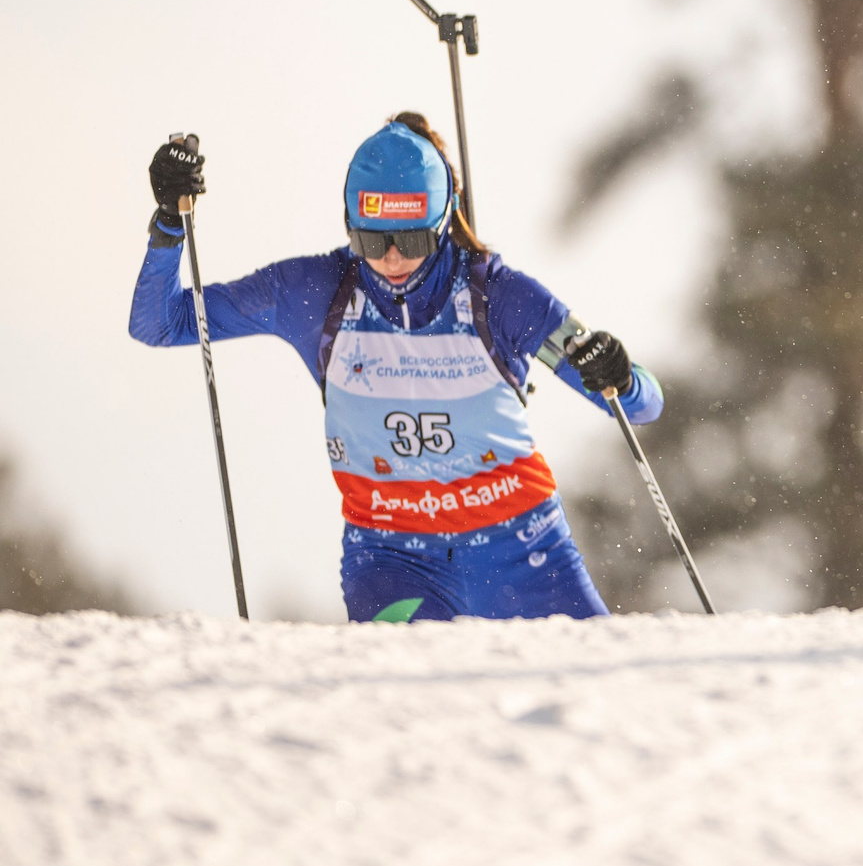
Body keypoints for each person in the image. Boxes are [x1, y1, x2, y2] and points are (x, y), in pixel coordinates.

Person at [129, 114, 661, 622]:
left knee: (591, 700)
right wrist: (171, 224)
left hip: (520, 549)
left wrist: (620, 373)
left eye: (411, 240)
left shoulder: (498, 297)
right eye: (370, 240)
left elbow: (639, 406)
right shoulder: (312, 293)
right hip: (392, 560)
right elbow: (161, 323)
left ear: (444, 220)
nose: (390, 259)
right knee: (405, 708)